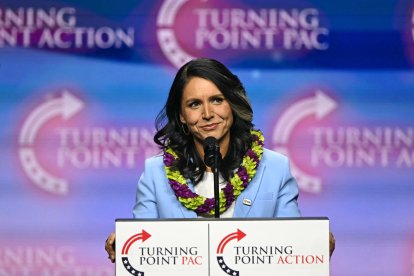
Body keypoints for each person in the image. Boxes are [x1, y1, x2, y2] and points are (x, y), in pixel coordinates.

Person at [105, 58, 335, 262]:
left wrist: (314, 243)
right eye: (194, 104)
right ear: (182, 116)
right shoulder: (155, 174)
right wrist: (126, 245)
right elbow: (143, 251)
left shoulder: (275, 169)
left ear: (232, 105)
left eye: (216, 100)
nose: (207, 113)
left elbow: (292, 251)